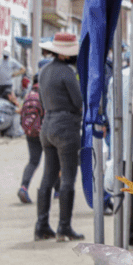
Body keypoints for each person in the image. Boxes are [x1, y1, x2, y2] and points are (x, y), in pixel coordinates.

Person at [34, 33, 85, 242]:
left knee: (48, 176)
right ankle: (64, 227)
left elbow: (40, 98)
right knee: (68, 178)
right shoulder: (67, 73)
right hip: (66, 128)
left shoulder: (44, 70)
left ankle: (42, 226)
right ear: (65, 55)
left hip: (47, 127)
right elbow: (78, 101)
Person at [106, 64, 133, 246]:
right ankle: (132, 234)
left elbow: (110, 108)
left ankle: (128, 232)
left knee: (128, 189)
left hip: (121, 139)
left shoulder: (117, 76)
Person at [17, 75, 59, 204]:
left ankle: (23, 187)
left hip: (30, 133)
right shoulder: (46, 93)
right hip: (44, 132)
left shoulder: (29, 95)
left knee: (33, 162)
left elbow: (22, 115)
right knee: (53, 160)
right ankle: (57, 190)